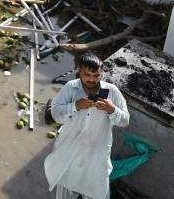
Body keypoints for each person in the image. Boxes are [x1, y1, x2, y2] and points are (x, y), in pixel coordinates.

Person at [44, 53, 129, 199]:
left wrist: (112, 109)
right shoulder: (71, 88)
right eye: (87, 74)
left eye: (96, 75)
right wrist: (75, 106)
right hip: (70, 147)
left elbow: (125, 120)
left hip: (97, 152)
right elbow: (56, 115)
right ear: (79, 71)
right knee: (66, 184)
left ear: (102, 72)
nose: (91, 79)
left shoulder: (111, 91)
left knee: (96, 189)